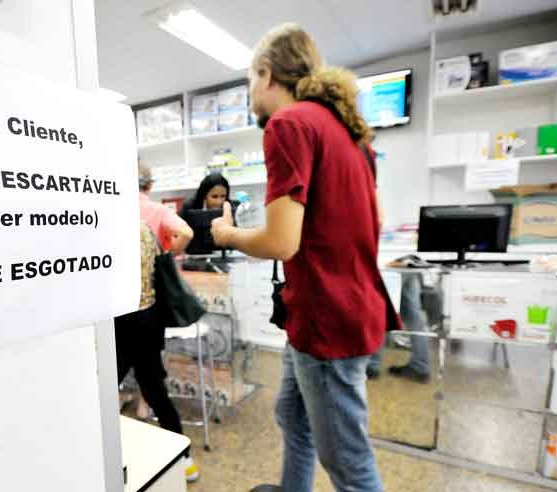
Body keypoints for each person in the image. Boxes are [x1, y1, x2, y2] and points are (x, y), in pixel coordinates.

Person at [211, 23, 398, 492]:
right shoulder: (353, 138)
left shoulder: (289, 124)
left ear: (266, 73)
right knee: (293, 419)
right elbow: (373, 221)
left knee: (349, 464)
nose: (250, 90)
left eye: (250, 79)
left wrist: (229, 234)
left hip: (327, 320)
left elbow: (280, 242)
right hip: (336, 309)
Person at [114, 222, 198, 483]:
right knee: (154, 390)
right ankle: (184, 458)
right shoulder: (144, 229)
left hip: (121, 321)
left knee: (103, 392)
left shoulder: (106, 227)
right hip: (149, 320)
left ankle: (109, 461)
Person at [366, 273, 430, 383]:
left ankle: (372, 365)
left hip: (387, 264)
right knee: (413, 314)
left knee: (380, 310)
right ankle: (420, 366)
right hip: (406, 265)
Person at [138, 162, 193, 254]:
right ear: (150, 185)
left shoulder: (113, 209)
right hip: (151, 266)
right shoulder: (160, 211)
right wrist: (168, 257)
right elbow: (186, 233)